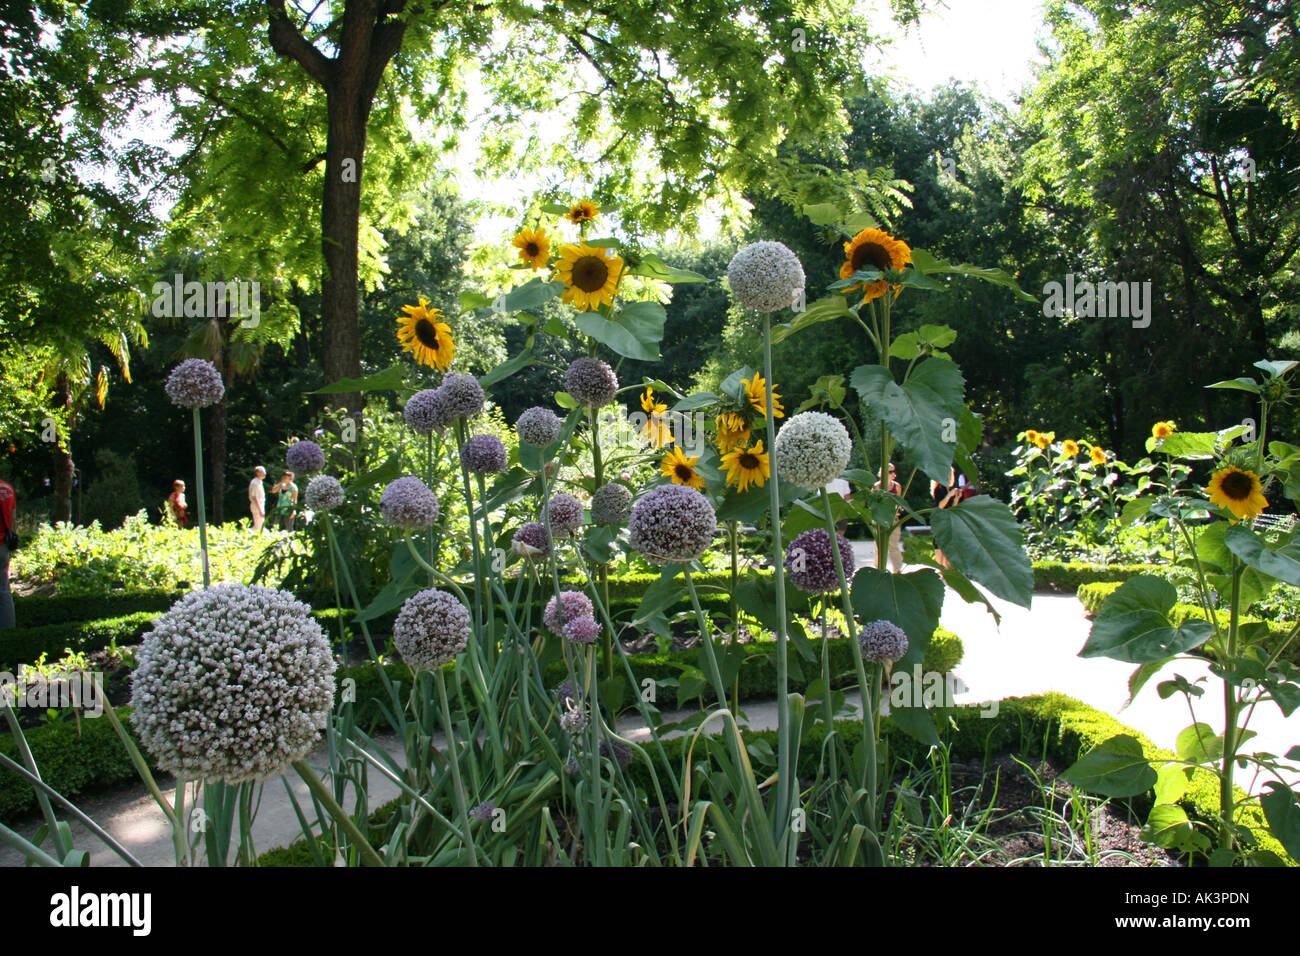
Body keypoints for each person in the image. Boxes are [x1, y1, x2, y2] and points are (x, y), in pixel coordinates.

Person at [874, 463, 905, 573]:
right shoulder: (876, 486)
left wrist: (897, 510)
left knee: (894, 546)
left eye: (894, 471)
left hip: (893, 519)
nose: (894, 474)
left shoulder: (897, 486)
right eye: (891, 472)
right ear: (883, 473)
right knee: (879, 547)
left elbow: (899, 502)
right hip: (879, 520)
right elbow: (872, 505)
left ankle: (897, 571)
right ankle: (878, 571)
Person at [930, 466, 963, 568]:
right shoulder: (938, 489)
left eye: (950, 474)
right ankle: (939, 568)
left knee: (947, 544)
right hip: (940, 519)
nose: (949, 476)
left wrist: (957, 498)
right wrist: (949, 496)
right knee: (939, 544)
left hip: (948, 519)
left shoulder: (948, 489)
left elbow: (952, 508)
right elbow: (940, 506)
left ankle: (945, 567)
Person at [0, 477, 15, 629]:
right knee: (4, 591)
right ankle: (8, 632)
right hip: (3, 546)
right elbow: (12, 519)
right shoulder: (8, 489)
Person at [249, 465, 267, 532]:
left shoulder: (259, 482)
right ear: (257, 473)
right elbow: (255, 497)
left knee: (261, 525)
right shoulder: (255, 483)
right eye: (262, 472)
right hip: (257, 506)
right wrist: (260, 510)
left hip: (260, 505)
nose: (264, 473)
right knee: (258, 527)